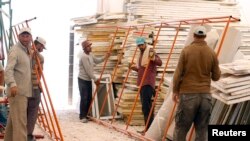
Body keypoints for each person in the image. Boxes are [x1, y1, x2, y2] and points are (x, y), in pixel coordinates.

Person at [172, 26, 221, 141]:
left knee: (181, 129)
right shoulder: (212, 53)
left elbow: (178, 74)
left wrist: (175, 91)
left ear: (194, 36)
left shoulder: (186, 51)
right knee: (202, 130)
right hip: (205, 97)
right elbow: (216, 77)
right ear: (205, 37)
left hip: (188, 95)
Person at [4, 27, 33, 141]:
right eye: (23, 36)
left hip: (22, 91)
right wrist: (12, 84)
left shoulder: (26, 50)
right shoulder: (15, 50)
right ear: (18, 37)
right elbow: (8, 70)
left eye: (27, 36)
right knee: (21, 124)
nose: (25, 39)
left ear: (30, 37)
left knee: (13, 123)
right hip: (17, 92)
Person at [131, 37, 162, 132]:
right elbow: (142, 69)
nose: (140, 46)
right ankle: (148, 129)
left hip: (148, 82)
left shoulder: (150, 51)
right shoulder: (141, 54)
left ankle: (149, 130)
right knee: (146, 107)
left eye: (141, 44)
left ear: (145, 43)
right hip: (142, 82)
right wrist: (133, 68)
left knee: (147, 107)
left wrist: (153, 58)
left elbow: (159, 63)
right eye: (139, 45)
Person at [78, 40, 109, 123]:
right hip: (83, 79)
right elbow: (88, 70)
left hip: (88, 79)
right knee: (84, 98)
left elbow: (97, 60)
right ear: (84, 48)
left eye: (90, 46)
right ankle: (82, 116)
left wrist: (105, 57)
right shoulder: (84, 56)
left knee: (89, 98)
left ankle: (86, 114)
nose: (90, 47)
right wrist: (95, 79)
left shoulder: (90, 55)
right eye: (88, 46)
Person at [27, 36, 46, 141]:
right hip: (33, 88)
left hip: (26, 87)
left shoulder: (26, 52)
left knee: (26, 112)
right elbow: (39, 74)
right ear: (39, 45)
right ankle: (28, 136)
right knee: (32, 112)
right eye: (42, 47)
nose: (42, 49)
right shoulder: (40, 57)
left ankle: (25, 134)